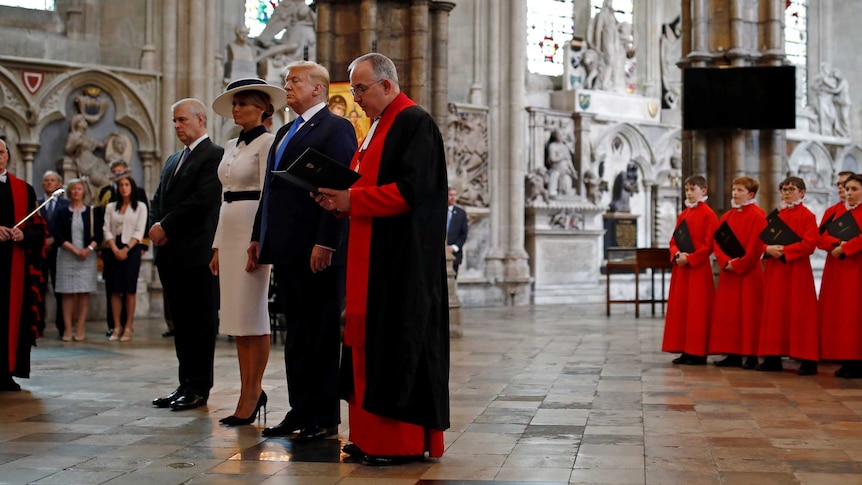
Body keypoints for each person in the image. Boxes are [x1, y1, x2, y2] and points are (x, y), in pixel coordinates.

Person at [314, 52, 449, 466]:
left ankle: (397, 442)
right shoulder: (375, 128)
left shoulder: (413, 122)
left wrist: (352, 199)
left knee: (395, 347)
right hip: (369, 255)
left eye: (360, 89)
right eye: (353, 89)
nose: (355, 99)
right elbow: (363, 185)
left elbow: (414, 191)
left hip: (400, 262)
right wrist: (339, 202)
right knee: (365, 345)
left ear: (388, 86)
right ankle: (367, 435)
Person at [252, 62, 356, 440]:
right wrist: (257, 235)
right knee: (296, 333)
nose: (287, 85)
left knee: (321, 333)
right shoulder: (283, 131)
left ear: (318, 89)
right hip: (286, 247)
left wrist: (326, 240)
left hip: (317, 248)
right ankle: (299, 409)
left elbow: (337, 185)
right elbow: (271, 190)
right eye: (287, 80)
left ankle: (324, 416)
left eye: (295, 80)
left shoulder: (336, 127)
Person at [210, 78, 286, 426]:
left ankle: (253, 391)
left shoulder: (269, 142)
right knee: (237, 319)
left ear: (262, 108)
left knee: (253, 315)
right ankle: (246, 390)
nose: (236, 109)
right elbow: (224, 196)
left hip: (251, 229)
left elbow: (269, 195)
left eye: (243, 103)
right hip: (229, 228)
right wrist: (216, 245)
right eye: (235, 104)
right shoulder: (230, 144)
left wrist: (262, 240)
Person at [149, 99, 223, 411]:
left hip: (196, 253)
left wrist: (166, 225)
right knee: (181, 323)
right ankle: (184, 383)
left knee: (200, 323)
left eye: (182, 120)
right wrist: (155, 223)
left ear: (200, 119)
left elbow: (202, 199)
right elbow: (157, 197)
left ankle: (199, 387)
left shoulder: (214, 155)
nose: (177, 126)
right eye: (174, 121)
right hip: (171, 254)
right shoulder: (172, 159)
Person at [757, 177, 819, 375]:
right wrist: (768, 249)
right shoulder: (777, 216)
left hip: (797, 271)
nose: (786, 192)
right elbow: (762, 240)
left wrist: (784, 251)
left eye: (791, 189)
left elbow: (810, 244)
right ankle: (773, 357)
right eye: (783, 189)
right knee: (775, 313)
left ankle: (808, 360)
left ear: (802, 192)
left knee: (801, 314)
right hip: (776, 271)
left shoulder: (808, 216)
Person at [0, 138, 46, 391]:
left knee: (11, 319)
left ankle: (5, 373)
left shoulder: (23, 190)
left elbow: (38, 229)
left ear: (8, 156)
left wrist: (23, 235)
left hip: (14, 268)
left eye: (1, 152)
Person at [707, 176, 766, 369]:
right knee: (729, 314)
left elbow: (757, 246)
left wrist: (739, 264)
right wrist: (726, 263)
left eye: (740, 190)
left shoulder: (758, 215)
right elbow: (718, 243)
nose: (735, 193)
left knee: (749, 313)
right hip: (729, 273)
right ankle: (731, 353)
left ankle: (750, 355)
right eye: (734, 189)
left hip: (749, 272)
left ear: (750, 194)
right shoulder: (726, 217)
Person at [662, 175, 718, 366]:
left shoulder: (709, 214)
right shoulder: (683, 214)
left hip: (698, 270)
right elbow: (673, 240)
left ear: (703, 191)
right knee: (683, 310)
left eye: (692, 189)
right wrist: (676, 254)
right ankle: (685, 349)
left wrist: (691, 258)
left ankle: (698, 352)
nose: (689, 193)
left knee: (697, 310)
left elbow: (709, 244)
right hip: (682, 269)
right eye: (687, 190)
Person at [98, 160, 150, 338]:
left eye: (126, 183)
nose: (123, 186)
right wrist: (113, 247)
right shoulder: (109, 200)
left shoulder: (140, 203)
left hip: (131, 248)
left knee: (129, 289)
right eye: (120, 183)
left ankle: (128, 326)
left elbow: (141, 228)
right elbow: (104, 227)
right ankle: (116, 326)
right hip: (113, 248)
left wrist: (131, 247)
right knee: (114, 289)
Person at [819, 173, 862, 378]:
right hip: (837, 269)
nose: (849, 193)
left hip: (857, 269)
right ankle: (847, 359)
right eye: (847, 189)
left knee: (856, 315)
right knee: (841, 315)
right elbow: (820, 236)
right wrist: (836, 246)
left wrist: (848, 248)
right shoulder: (833, 211)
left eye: (854, 189)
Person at [54, 178, 103, 342]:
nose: (76, 192)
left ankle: (81, 326)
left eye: (79, 189)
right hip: (67, 255)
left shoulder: (91, 211)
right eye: (73, 189)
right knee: (67, 293)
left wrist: (87, 249)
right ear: (69, 191)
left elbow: (98, 233)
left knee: (83, 292)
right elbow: (57, 233)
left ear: (84, 192)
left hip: (87, 257)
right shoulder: (62, 211)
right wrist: (74, 249)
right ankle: (68, 328)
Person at [38, 170, 69, 337]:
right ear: (43, 185)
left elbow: (66, 229)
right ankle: (39, 326)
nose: (49, 183)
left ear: (59, 184)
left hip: (60, 252)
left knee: (60, 290)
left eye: (53, 180)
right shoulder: (37, 203)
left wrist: (54, 240)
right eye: (46, 181)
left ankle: (63, 326)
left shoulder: (66, 205)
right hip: (41, 253)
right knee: (39, 290)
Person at [446, 186, 468, 276]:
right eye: (450, 195)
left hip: (455, 254)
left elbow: (463, 234)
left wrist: (454, 247)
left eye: (455, 195)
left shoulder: (461, 213)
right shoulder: (438, 211)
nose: (453, 197)